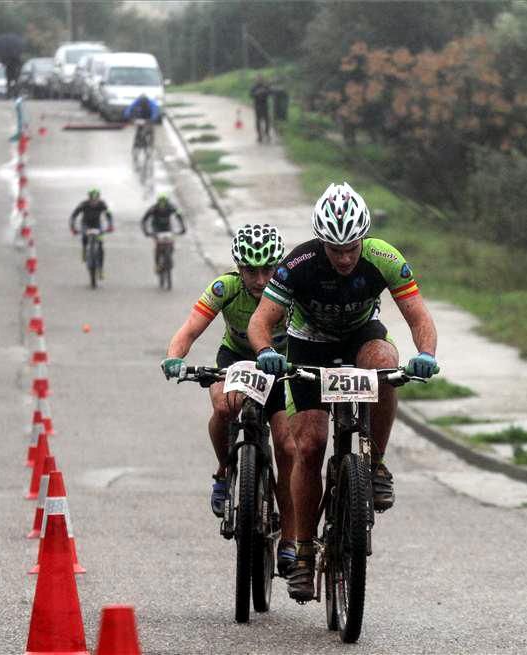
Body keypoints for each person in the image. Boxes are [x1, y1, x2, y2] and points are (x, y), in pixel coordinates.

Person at [248, 182, 439, 601]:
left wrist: (425, 353)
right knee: (311, 445)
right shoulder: (298, 263)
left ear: (363, 237)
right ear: (321, 243)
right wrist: (265, 351)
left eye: (352, 247)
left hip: (359, 339)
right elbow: (261, 321)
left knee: (386, 365)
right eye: (335, 250)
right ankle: (301, 553)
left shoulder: (385, 257)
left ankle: (376, 465)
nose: (345, 257)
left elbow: (418, 314)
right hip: (308, 345)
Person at [161, 224, 298, 576]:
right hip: (235, 359)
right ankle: (224, 471)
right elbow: (191, 327)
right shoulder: (226, 289)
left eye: (268, 269)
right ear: (239, 268)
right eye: (251, 270)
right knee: (224, 405)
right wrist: (175, 357)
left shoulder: (291, 293)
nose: (260, 278)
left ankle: (290, 540)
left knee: (287, 448)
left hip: (281, 368)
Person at [69, 188, 114, 278]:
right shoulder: (83, 204)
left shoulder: (102, 204)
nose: (94, 202)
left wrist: (110, 225)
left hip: (97, 225)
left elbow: (109, 215)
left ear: (98, 198)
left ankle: (100, 269)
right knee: (85, 236)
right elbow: (73, 216)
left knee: (100, 244)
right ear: (89, 198)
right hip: (86, 224)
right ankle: (84, 250)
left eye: (96, 199)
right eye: (92, 200)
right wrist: (73, 228)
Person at [140, 194, 186, 271]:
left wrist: (183, 227)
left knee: (171, 243)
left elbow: (179, 216)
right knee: (158, 246)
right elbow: (144, 219)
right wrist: (146, 231)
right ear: (158, 203)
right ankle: (157, 264)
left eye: (164, 204)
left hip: (167, 227)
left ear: (167, 203)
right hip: (156, 228)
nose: (162, 207)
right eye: (160, 204)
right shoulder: (153, 208)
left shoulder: (171, 207)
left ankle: (169, 256)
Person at [249, 75, 271, 143]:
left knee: (267, 120)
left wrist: (265, 91)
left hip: (265, 105)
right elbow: (251, 95)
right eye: (258, 79)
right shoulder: (254, 87)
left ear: (262, 80)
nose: (259, 80)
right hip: (257, 105)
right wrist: (257, 93)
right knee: (258, 121)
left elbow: (269, 92)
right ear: (256, 80)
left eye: (260, 79)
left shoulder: (265, 86)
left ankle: (267, 133)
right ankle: (259, 136)